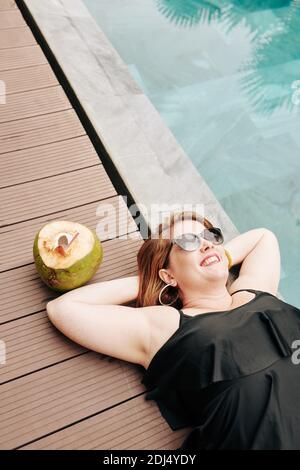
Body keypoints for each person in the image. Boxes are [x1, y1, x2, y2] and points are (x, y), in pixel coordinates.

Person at [46, 211, 300, 450]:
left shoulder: (252, 292)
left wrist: (214, 256)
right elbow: (64, 309)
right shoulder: (165, 326)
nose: (206, 243)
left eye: (211, 236)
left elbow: (263, 237)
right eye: (187, 241)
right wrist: (152, 281)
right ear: (168, 275)